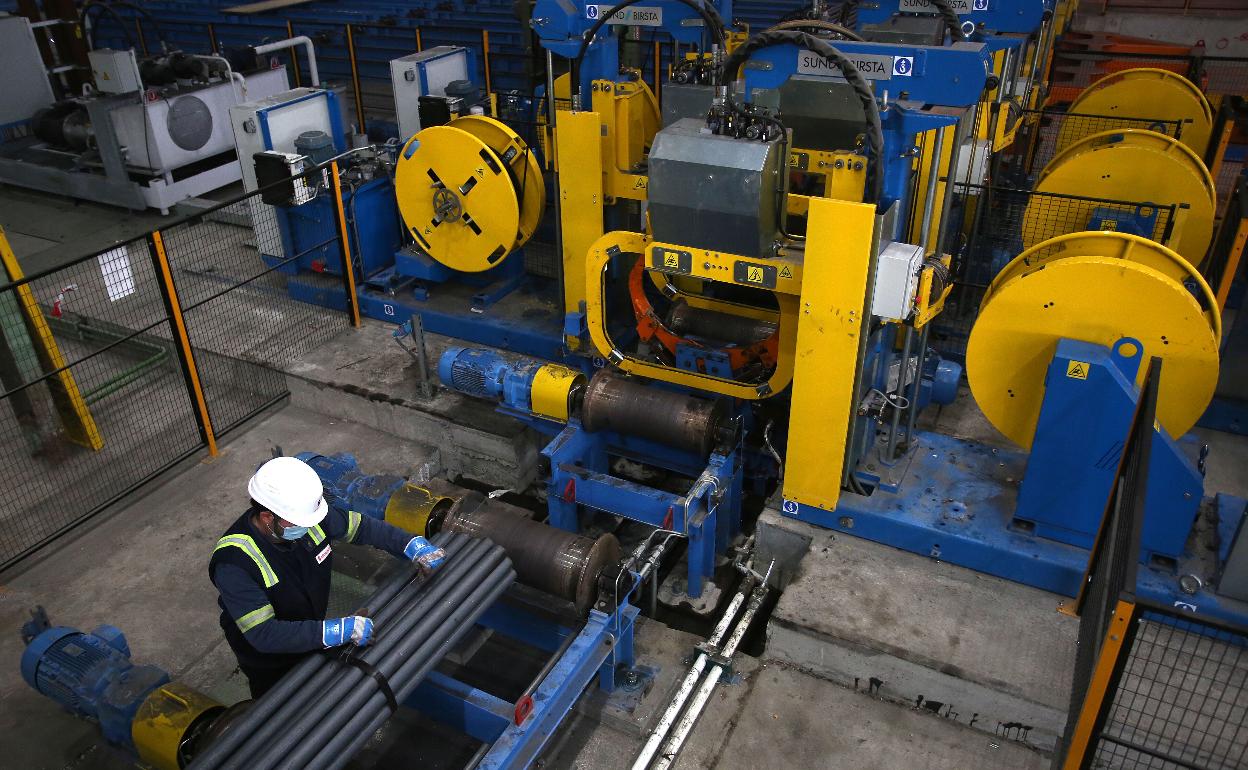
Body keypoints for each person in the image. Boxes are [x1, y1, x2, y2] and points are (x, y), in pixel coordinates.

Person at [209, 456, 447, 698]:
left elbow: (362, 528)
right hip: (269, 659)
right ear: (267, 517)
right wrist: (332, 632)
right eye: (299, 522)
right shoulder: (234, 564)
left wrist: (409, 544)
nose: (308, 526)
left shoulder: (306, 518)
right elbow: (265, 635)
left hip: (308, 621)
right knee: (279, 709)